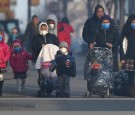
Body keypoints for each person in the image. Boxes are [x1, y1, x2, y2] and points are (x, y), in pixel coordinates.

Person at [120, 14, 135, 97]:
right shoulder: (126, 31)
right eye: (132, 22)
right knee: (131, 76)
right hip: (129, 57)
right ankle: (132, 93)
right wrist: (122, 58)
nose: (134, 23)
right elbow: (122, 45)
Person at [0, 30, 11, 96]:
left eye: (0, 34)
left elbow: (8, 54)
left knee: (1, 79)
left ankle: (0, 90)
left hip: (2, 66)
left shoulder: (5, 46)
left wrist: (3, 60)